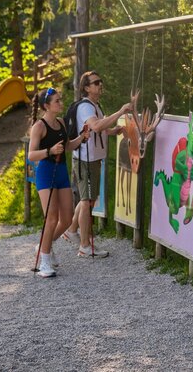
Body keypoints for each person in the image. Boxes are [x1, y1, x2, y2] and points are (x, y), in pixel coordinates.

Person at [64, 71, 129, 258]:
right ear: (86, 88)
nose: (100, 84)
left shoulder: (94, 106)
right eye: (96, 82)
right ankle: (85, 246)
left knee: (88, 199)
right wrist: (121, 112)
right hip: (86, 159)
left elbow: (99, 128)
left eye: (101, 81)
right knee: (87, 202)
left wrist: (112, 131)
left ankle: (71, 230)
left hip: (92, 158)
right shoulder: (86, 107)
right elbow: (96, 126)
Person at [26, 87, 89, 277]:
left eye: (60, 100)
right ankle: (44, 262)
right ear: (47, 106)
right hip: (46, 172)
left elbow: (68, 146)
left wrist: (82, 137)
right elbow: (31, 155)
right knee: (51, 217)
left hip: (61, 172)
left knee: (67, 219)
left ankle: (43, 246)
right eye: (57, 101)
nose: (61, 103)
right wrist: (50, 151)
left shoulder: (60, 122)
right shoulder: (39, 126)